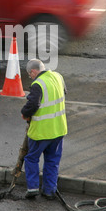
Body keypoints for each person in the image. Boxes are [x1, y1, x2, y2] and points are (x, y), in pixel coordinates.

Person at [21, 59, 67, 199]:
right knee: (52, 160)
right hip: (59, 129)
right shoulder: (58, 76)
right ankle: (49, 190)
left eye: (30, 75)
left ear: (33, 71)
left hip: (41, 132)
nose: (31, 77)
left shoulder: (38, 84)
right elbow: (64, 93)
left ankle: (33, 188)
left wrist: (24, 112)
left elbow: (33, 104)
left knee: (31, 158)